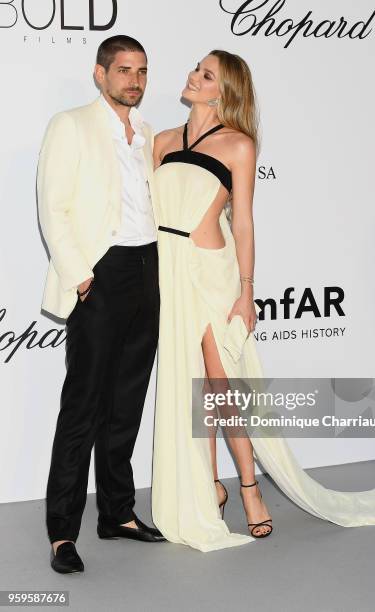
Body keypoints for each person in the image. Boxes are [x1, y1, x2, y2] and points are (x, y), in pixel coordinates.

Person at [151, 50, 375, 552]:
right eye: (196, 68)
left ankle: (250, 488)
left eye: (206, 74)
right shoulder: (162, 143)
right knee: (185, 383)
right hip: (169, 272)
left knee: (221, 387)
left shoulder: (238, 145)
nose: (193, 76)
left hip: (211, 272)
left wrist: (247, 290)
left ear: (225, 91)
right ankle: (208, 485)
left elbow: (242, 222)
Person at [37, 35, 165, 574]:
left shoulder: (150, 134)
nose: (133, 80)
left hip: (148, 268)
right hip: (102, 273)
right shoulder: (71, 125)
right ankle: (62, 534)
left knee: (127, 403)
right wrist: (82, 277)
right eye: (123, 70)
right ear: (100, 74)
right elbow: (53, 208)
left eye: (140, 71)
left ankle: (117, 512)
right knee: (83, 408)